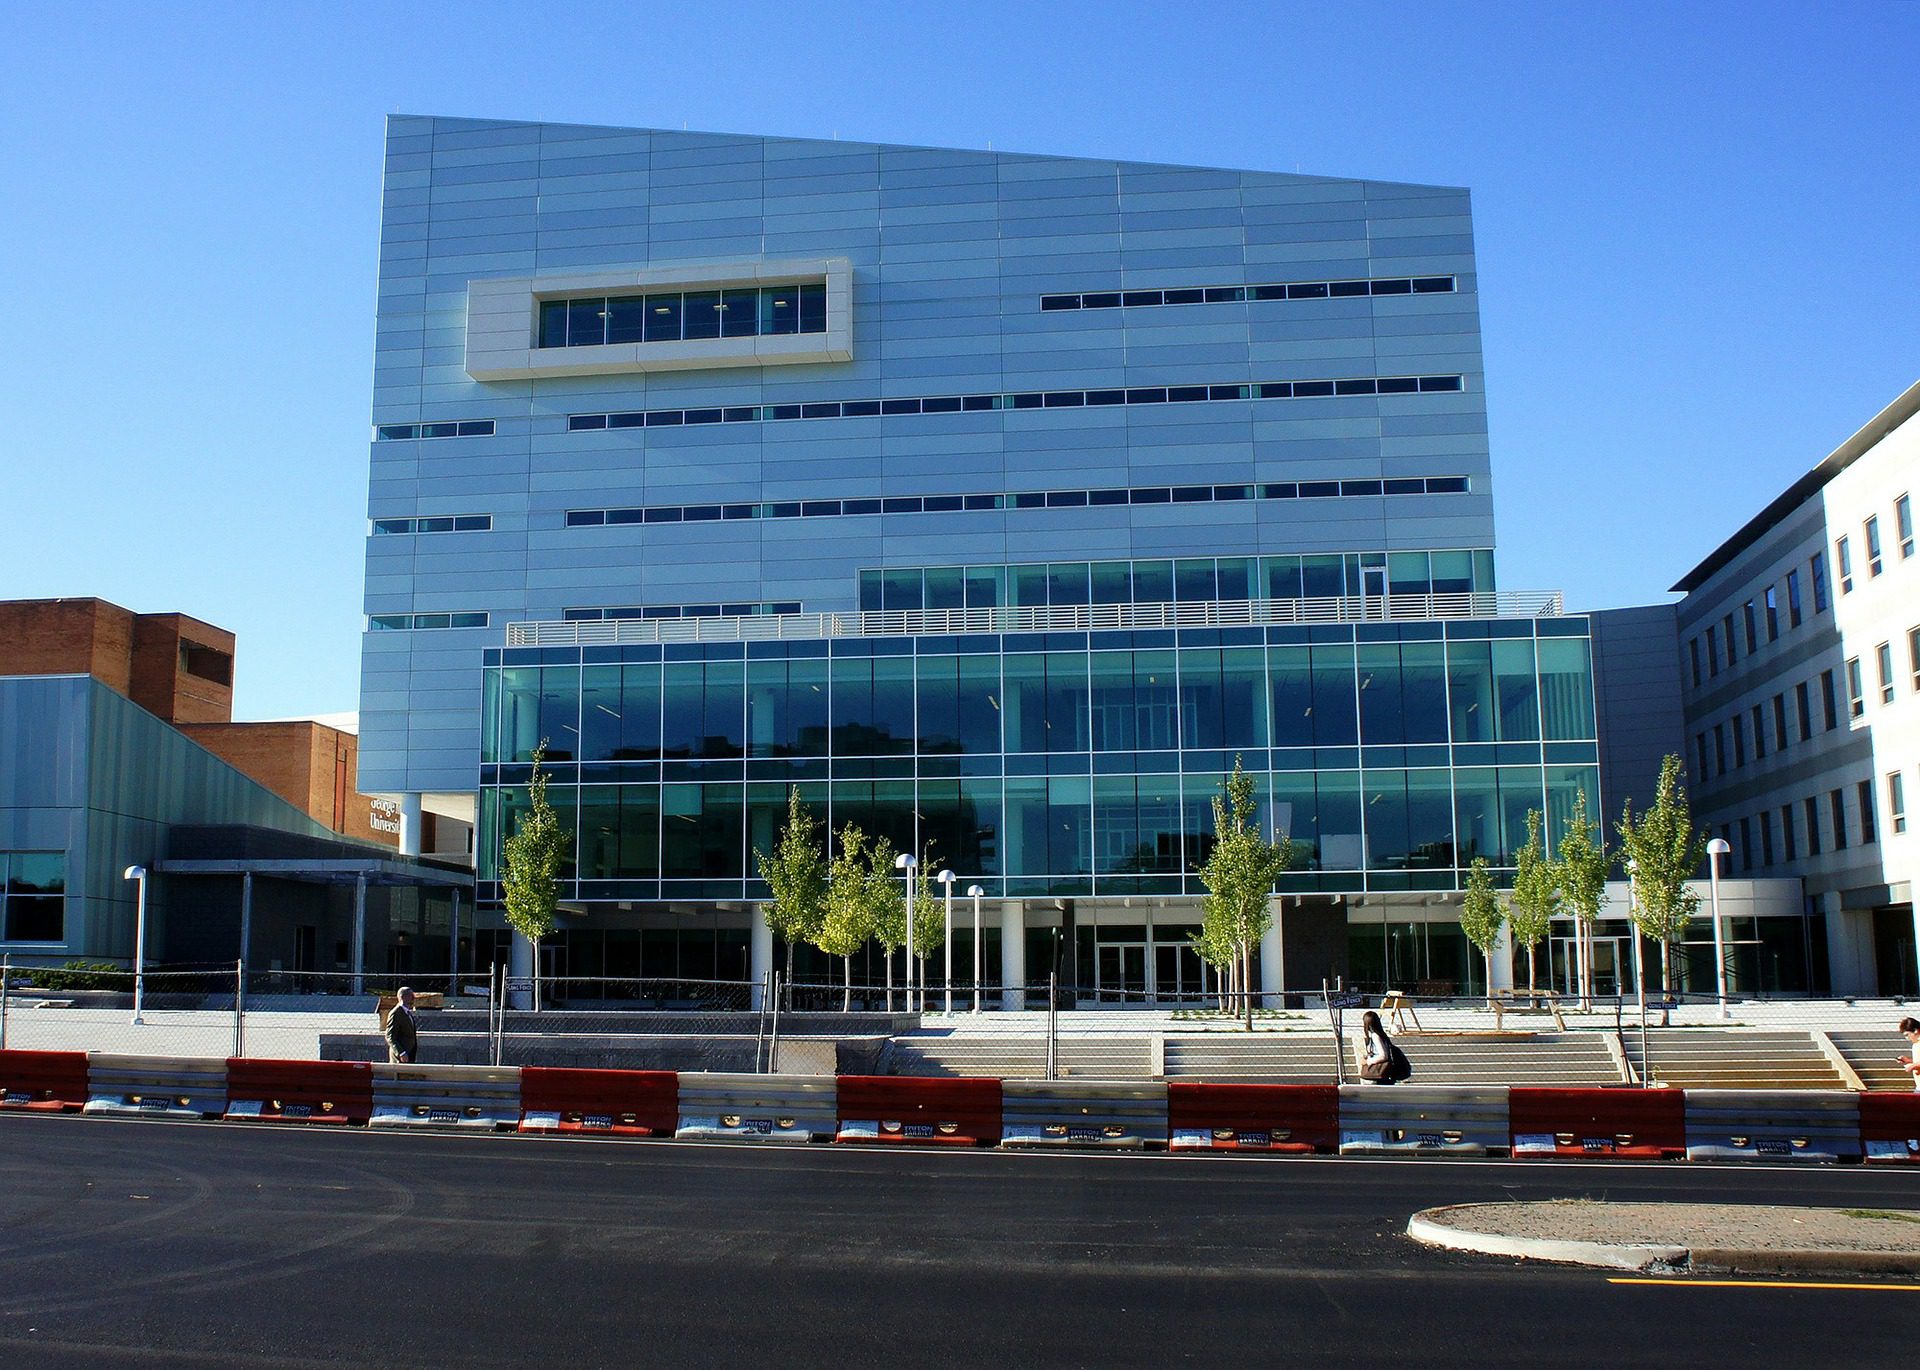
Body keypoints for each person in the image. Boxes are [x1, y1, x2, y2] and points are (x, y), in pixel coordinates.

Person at [1359, 1009, 1401, 1084]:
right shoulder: (1381, 1034)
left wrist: (1368, 1061)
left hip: (1380, 1072)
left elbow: (1383, 1056)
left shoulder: (1375, 1036)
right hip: (1384, 1073)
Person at [383, 985, 420, 1064]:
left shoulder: (407, 1013)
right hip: (400, 1058)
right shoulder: (396, 1013)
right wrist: (401, 1053)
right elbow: (390, 1036)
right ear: (402, 997)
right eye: (411, 995)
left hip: (409, 1054)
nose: (413, 998)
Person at [1897, 1017, 1920, 1092]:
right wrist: (1909, 1061)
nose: (1907, 1038)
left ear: (1916, 1031)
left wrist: (1913, 1066)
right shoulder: (1916, 1044)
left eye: (1907, 1035)